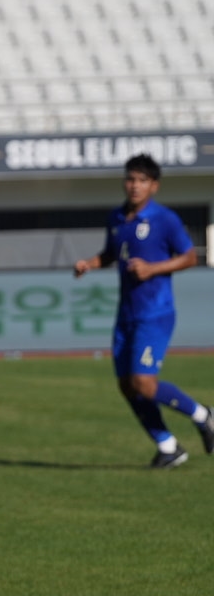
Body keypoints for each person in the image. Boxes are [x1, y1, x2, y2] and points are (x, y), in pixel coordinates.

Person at [72, 154, 213, 468]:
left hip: (155, 312)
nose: (134, 186)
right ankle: (168, 446)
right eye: (130, 179)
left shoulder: (164, 219)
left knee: (144, 383)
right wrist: (89, 264)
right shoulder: (117, 218)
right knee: (126, 386)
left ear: (154, 186)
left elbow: (189, 257)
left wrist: (154, 268)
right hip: (126, 314)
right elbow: (111, 253)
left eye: (141, 181)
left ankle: (204, 415)